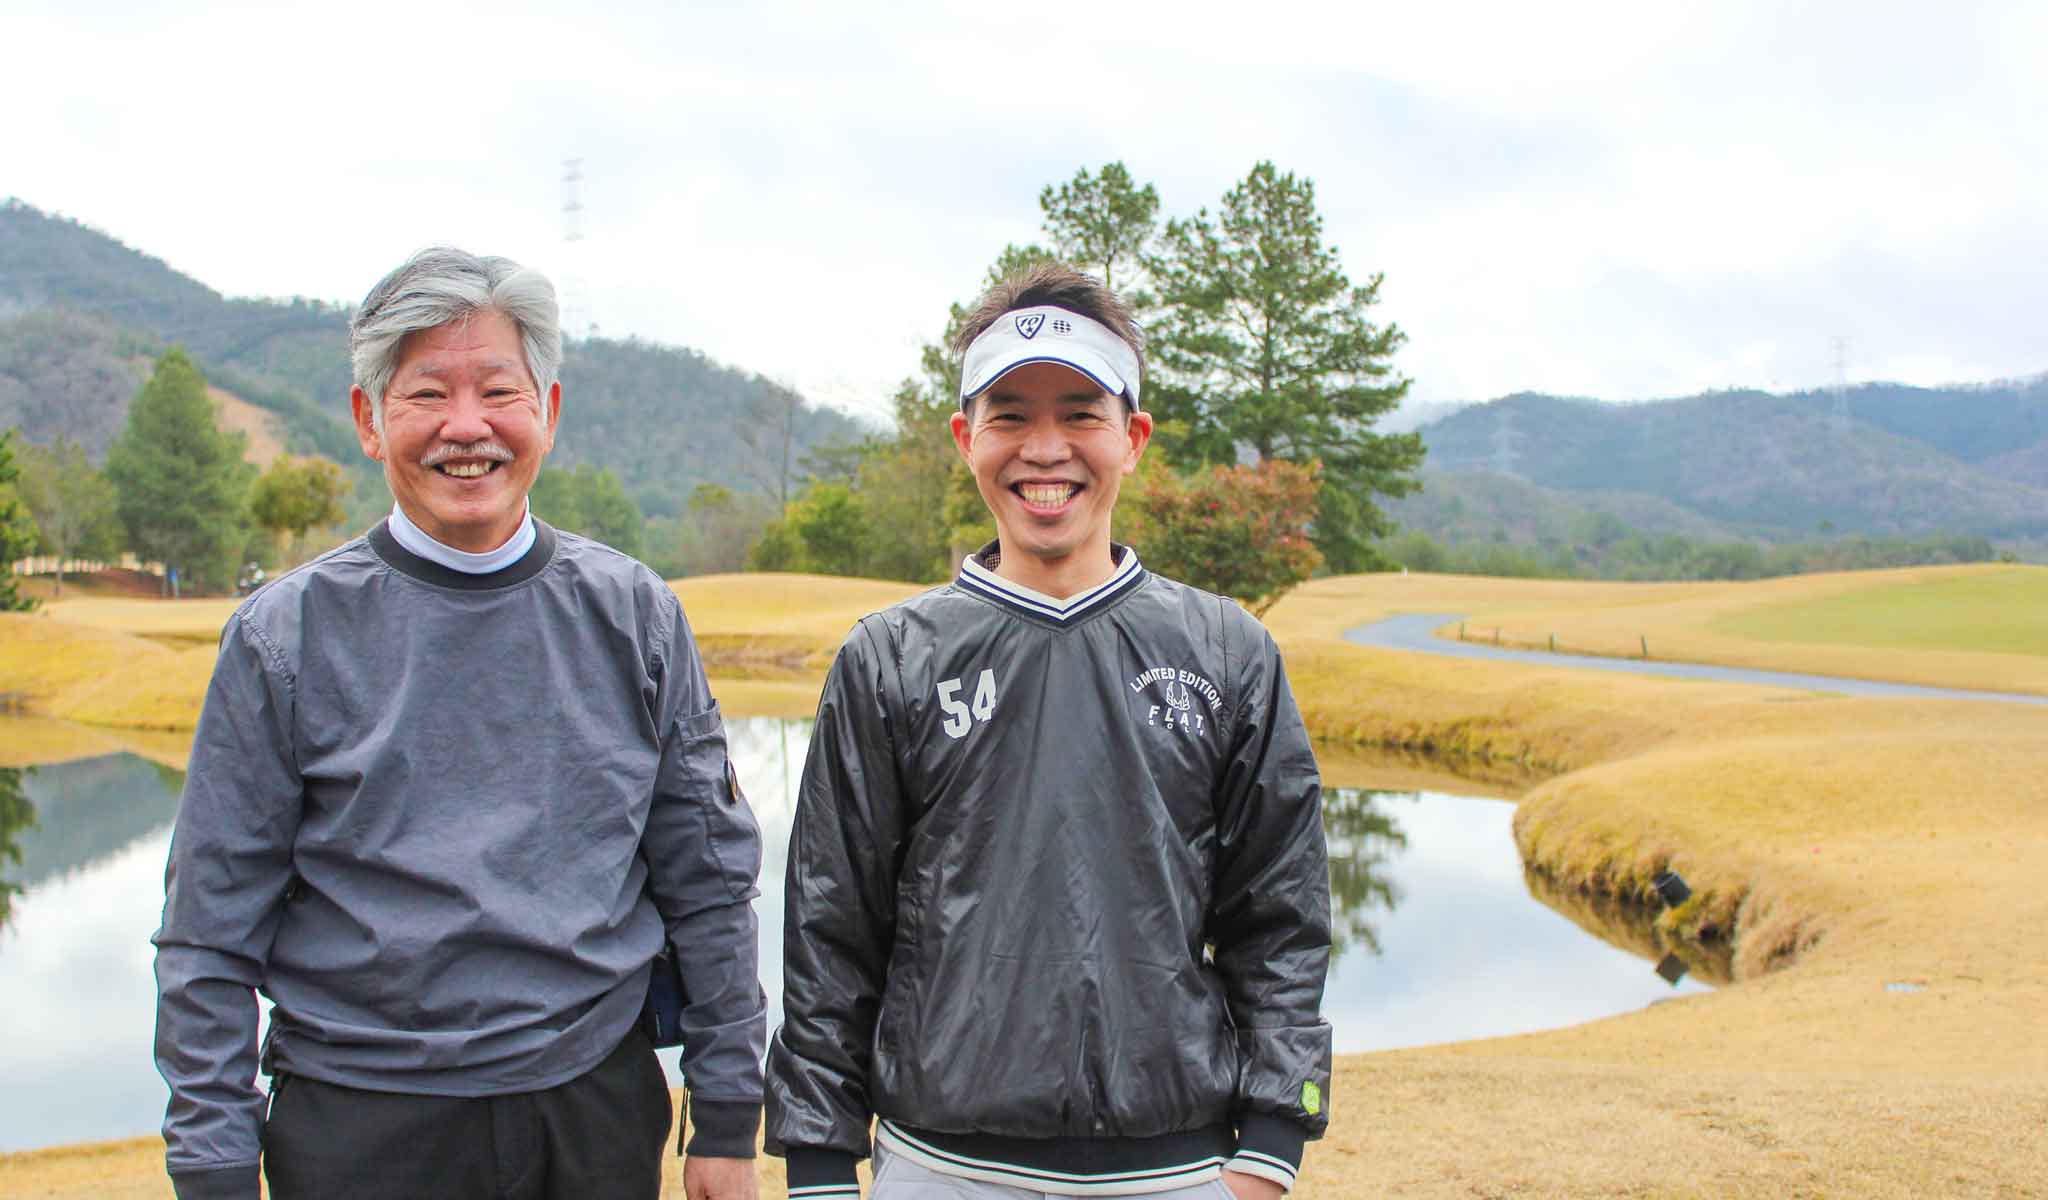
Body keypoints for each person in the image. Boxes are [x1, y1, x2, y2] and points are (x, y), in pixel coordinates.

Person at [152, 247, 764, 1200]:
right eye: (427, 394)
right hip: (358, 1118)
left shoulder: (635, 616)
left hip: (590, 1104)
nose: (466, 428)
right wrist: (214, 1163)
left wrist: (726, 1112)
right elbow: (208, 935)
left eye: (499, 392)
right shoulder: (286, 637)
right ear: (368, 420)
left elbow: (711, 885)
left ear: (549, 414)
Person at [765, 264, 1332, 1199]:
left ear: (1133, 437)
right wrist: (821, 1161)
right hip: (938, 1164)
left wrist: (1271, 1140)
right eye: (1010, 414)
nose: (1045, 448)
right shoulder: (890, 658)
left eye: (1079, 413)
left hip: (1175, 1167)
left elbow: (1281, 916)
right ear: (966, 438)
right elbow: (832, 933)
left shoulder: (1228, 650)